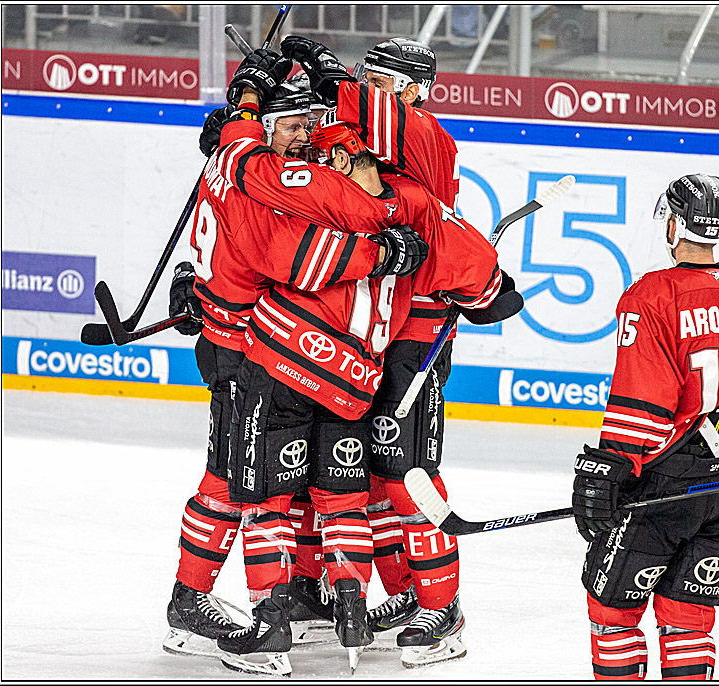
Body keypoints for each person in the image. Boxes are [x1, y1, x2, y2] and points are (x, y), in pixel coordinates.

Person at [212, 68, 514, 671]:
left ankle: (437, 606)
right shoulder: (417, 204)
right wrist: (475, 288)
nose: (320, 157)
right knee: (353, 489)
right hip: (363, 373)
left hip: (346, 361)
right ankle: (352, 601)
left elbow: (248, 187)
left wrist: (241, 117)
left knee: (388, 482)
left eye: (331, 151)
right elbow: (492, 289)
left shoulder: (330, 193)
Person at [164, 64, 415, 672]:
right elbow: (287, 261)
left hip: (252, 345)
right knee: (237, 482)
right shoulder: (263, 184)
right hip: (244, 351)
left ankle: (289, 595)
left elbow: (213, 236)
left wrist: (190, 281)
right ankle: (197, 602)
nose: (307, 135)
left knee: (269, 478)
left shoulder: (232, 158)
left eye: (310, 122)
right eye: (295, 124)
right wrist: (381, 253)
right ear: (264, 130)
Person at [279, 35, 484, 659]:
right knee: (359, 479)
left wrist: (332, 77)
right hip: (367, 330)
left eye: (382, 78)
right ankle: (400, 592)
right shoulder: (372, 130)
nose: (369, 85)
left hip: (417, 331)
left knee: (406, 475)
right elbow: (310, 149)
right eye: (365, 74)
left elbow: (365, 113)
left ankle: (444, 610)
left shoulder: (425, 136)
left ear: (415, 90)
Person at [571, 174, 719, 680]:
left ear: (674, 224)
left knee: (612, 612)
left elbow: (643, 404)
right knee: (688, 619)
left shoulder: (651, 296)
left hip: (665, 486)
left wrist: (610, 470)